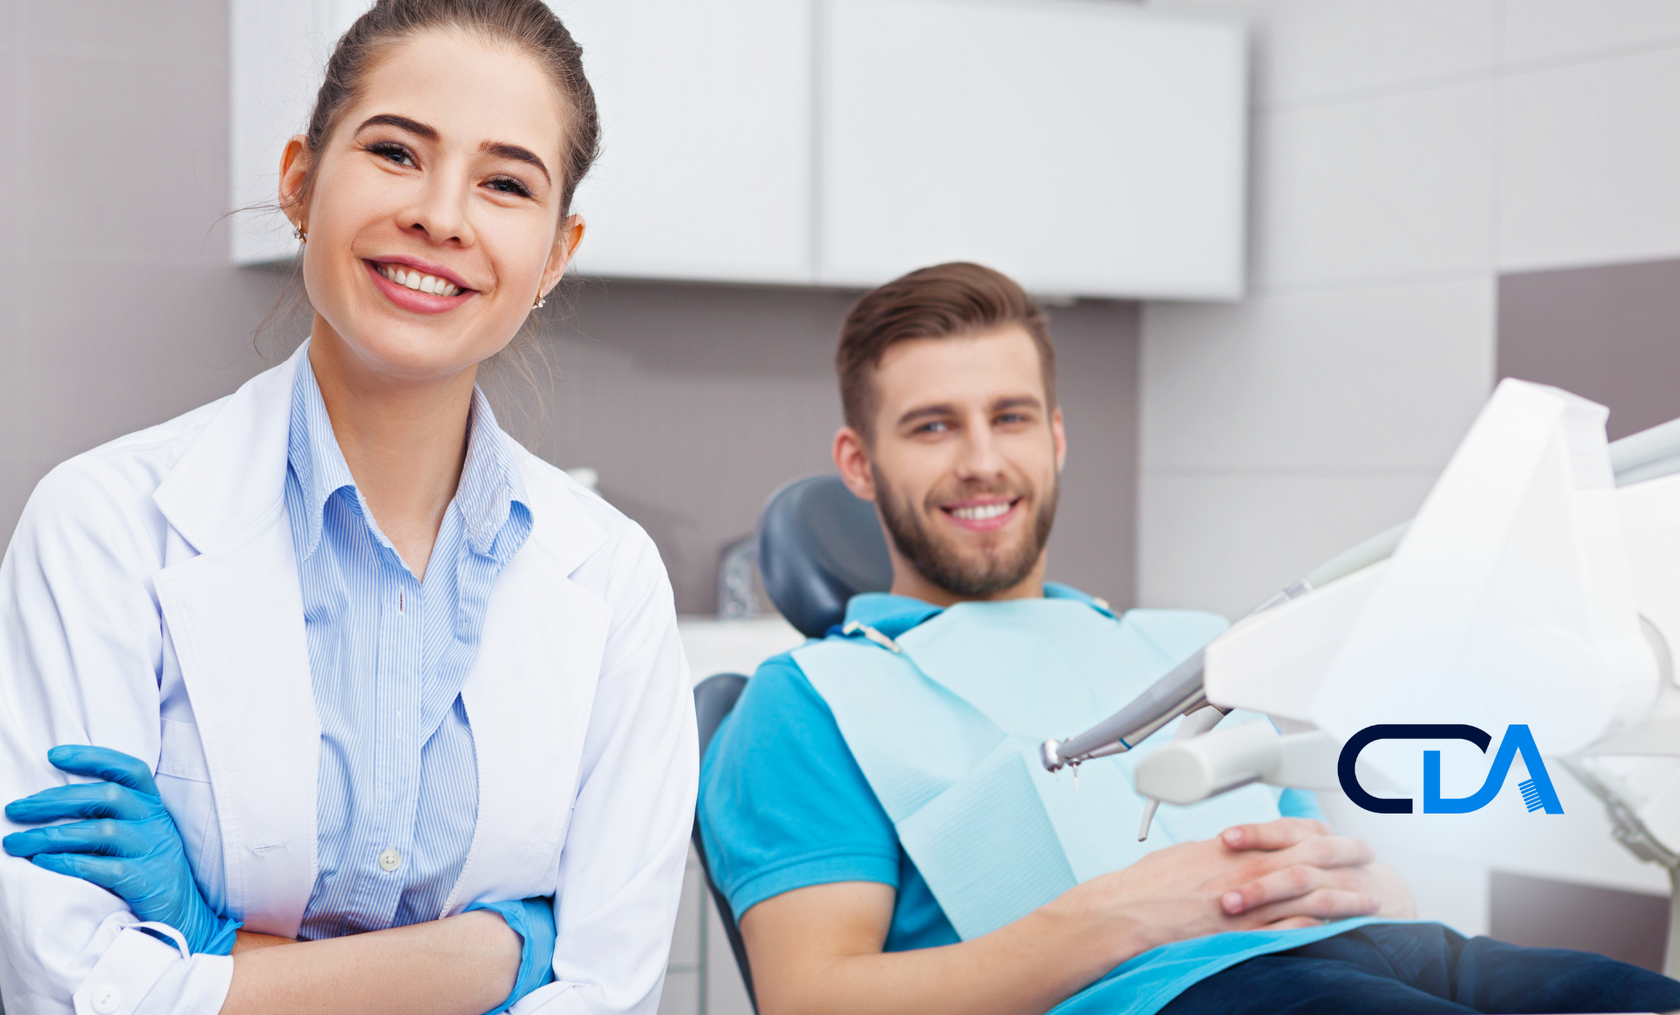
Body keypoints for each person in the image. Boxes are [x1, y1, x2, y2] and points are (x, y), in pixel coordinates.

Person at [0, 0, 695, 1015]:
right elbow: (79, 991)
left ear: (555, 256)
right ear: (301, 183)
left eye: (506, 184)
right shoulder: (103, 528)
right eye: (396, 152)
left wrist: (212, 947)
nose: (442, 216)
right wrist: (493, 959)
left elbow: (607, 992)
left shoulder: (613, 579)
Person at [696, 262, 1680, 1015]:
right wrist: (1118, 917)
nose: (984, 461)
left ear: (1057, 439)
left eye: (1011, 417)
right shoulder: (809, 700)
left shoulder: (1189, 652)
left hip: (1411, 956)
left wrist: (1375, 882)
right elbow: (811, 998)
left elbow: (1350, 872)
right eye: (932, 428)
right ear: (859, 466)